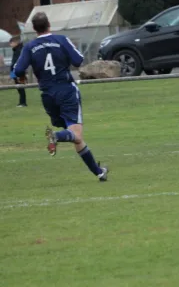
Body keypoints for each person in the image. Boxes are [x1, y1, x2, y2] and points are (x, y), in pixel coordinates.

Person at [13, 12, 108, 181]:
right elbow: (78, 60)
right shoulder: (61, 40)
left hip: (48, 96)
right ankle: (55, 137)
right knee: (75, 135)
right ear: (49, 24)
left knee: (75, 137)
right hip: (66, 91)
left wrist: (24, 74)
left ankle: (99, 172)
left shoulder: (30, 46)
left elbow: (18, 70)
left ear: (35, 29)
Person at [9, 35, 27, 107]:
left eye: (11, 43)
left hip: (18, 71)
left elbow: (17, 62)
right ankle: (21, 102)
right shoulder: (16, 50)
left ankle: (23, 103)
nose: (10, 44)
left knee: (20, 86)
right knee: (18, 87)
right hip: (14, 71)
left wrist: (15, 72)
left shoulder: (19, 50)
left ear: (15, 42)